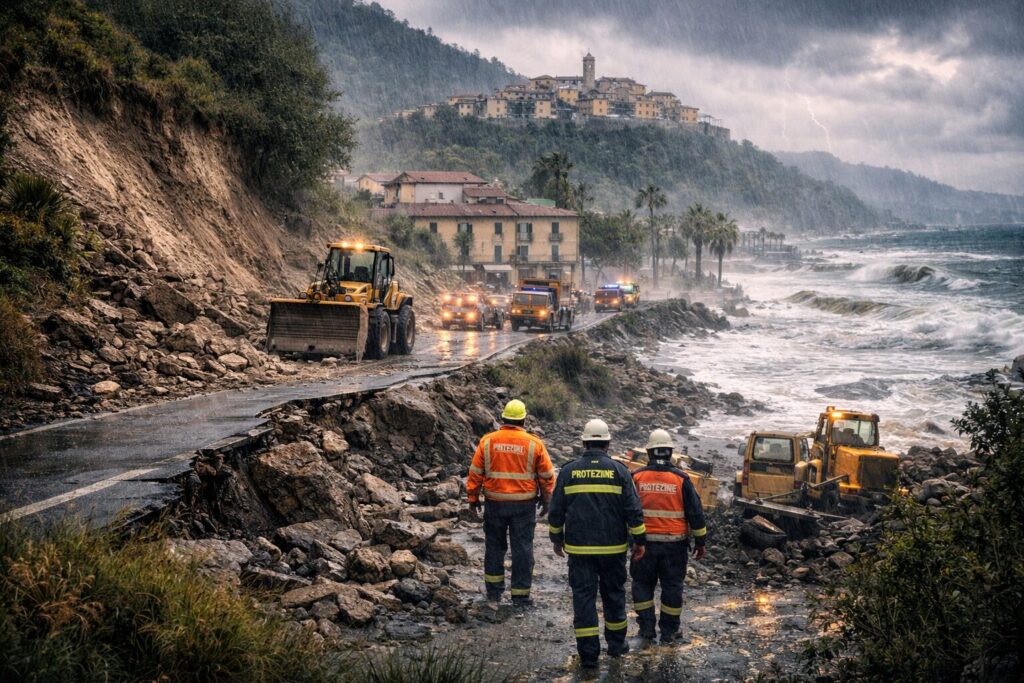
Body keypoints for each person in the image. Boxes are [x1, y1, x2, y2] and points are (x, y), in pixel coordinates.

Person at [548, 419, 647, 669]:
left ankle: (589, 656)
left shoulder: (568, 471)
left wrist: (556, 538)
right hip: (613, 550)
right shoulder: (620, 471)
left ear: (584, 442)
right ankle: (616, 646)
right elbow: (633, 510)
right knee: (614, 596)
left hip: (579, 551)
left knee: (583, 600)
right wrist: (639, 541)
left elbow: (556, 509)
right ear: (607, 443)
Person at [466, 399, 555, 606]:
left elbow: (475, 473)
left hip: (495, 503)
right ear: (524, 420)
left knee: (494, 548)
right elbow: (547, 476)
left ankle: (494, 593)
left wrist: (473, 498)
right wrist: (547, 500)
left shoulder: (488, 441)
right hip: (524, 505)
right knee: (522, 549)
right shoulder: (534, 444)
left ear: (503, 419)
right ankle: (520, 596)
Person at [629, 429, 708, 645]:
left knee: (642, 585)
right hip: (674, 546)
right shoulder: (681, 479)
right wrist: (700, 542)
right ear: (670, 452)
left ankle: (646, 630)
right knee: (672, 587)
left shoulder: (636, 477)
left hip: (643, 545)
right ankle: (669, 632)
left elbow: (626, 510)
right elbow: (696, 514)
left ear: (649, 452)